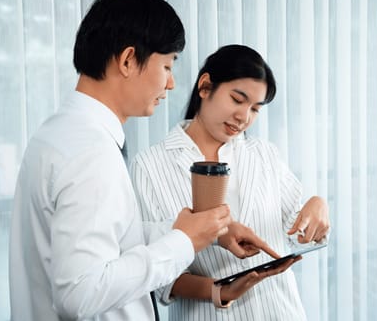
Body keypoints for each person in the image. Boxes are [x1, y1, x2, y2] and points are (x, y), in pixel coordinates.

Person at [9, 0, 270, 321]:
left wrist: (195, 231)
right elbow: (79, 293)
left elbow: (109, 241)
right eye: (167, 65)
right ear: (129, 60)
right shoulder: (91, 154)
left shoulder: (58, 134)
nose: (172, 83)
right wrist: (183, 242)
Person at [130, 44, 330, 320]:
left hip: (281, 311)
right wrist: (220, 292)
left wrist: (317, 205)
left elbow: (297, 231)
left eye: (255, 109)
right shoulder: (151, 165)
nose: (244, 118)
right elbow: (160, 275)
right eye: (237, 99)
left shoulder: (263, 154)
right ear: (205, 86)